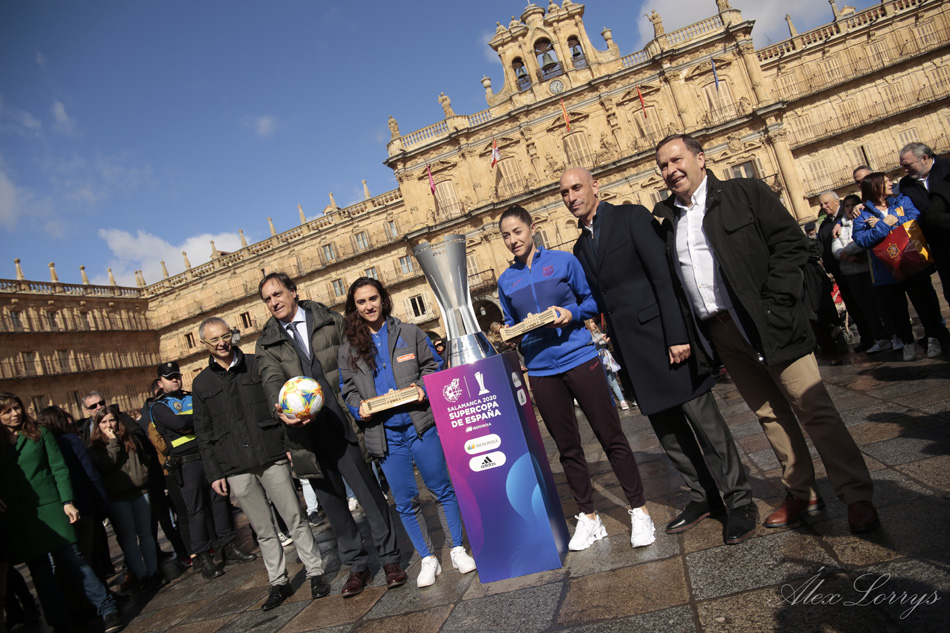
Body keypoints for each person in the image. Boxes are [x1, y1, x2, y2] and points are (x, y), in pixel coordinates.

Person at [652, 133, 879, 534]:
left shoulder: (745, 193)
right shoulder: (669, 219)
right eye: (663, 166)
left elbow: (790, 244)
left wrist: (778, 302)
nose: (671, 171)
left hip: (769, 320)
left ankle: (856, 494)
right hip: (722, 330)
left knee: (813, 408)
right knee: (769, 414)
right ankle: (802, 493)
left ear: (700, 158)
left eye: (676, 160)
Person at [560, 168, 758, 545]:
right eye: (565, 193)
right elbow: (600, 300)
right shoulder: (580, 248)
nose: (571, 197)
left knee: (705, 424)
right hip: (633, 352)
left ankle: (740, 500)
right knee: (669, 433)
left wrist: (678, 334)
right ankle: (703, 496)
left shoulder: (631, 216)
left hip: (666, 340)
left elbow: (664, 277)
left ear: (594, 186)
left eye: (576, 188)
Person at [496, 205, 656, 550]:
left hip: (580, 358)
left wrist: (569, 313)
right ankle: (589, 517)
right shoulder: (506, 280)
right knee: (567, 449)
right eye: (506, 236)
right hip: (541, 370)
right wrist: (511, 333)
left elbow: (591, 302)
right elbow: (511, 323)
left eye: (517, 231)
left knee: (611, 436)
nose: (513, 240)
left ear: (532, 228)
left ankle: (639, 510)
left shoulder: (565, 262)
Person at [255, 272, 406, 598]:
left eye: (278, 294)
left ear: (293, 292)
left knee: (369, 496)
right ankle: (357, 566)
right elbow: (270, 381)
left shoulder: (329, 320)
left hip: (342, 423)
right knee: (333, 507)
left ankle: (390, 559)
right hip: (305, 437)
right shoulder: (266, 342)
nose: (274, 302)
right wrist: (278, 408)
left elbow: (357, 358)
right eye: (267, 299)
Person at [338, 278, 477, 588]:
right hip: (385, 435)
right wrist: (359, 407)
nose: (369, 306)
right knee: (404, 500)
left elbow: (433, 365)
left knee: (441, 489)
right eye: (361, 302)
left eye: (373, 298)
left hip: (420, 425)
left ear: (383, 299)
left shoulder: (410, 333)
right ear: (354, 308)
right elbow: (347, 389)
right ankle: (427, 558)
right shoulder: (348, 349)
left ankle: (457, 548)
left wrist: (422, 387)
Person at [192, 316, 330, 610]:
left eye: (225, 335)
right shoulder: (201, 383)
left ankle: (315, 572)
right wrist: (214, 473)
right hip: (235, 465)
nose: (222, 343)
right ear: (204, 344)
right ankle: (278, 582)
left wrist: (288, 447)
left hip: (270, 455)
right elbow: (203, 432)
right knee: (263, 530)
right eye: (214, 339)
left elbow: (279, 406)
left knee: (294, 517)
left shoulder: (256, 364)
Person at [0, 392, 122, 633]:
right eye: (7, 411)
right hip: (20, 516)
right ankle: (60, 623)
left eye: (17, 407)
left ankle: (107, 607)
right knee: (40, 573)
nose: (15, 413)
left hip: (52, 507)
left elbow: (59, 467)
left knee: (74, 560)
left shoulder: (39, 432)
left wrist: (67, 501)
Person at [151, 362, 257, 580]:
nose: (174, 379)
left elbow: (210, 416)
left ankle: (229, 546)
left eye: (176, 375)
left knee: (220, 501)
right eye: (169, 377)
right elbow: (178, 422)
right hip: (186, 463)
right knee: (196, 510)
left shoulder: (191, 397)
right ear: (160, 382)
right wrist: (196, 420)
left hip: (207, 455)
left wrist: (191, 422)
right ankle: (203, 556)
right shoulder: (159, 406)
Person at [852, 172, 949, 359]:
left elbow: (916, 220)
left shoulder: (902, 201)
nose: (891, 183)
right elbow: (862, 240)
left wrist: (890, 221)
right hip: (886, 270)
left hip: (913, 263)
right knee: (897, 311)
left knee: (925, 304)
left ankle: (934, 338)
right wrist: (884, 225)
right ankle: (907, 343)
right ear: (875, 187)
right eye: (886, 181)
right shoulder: (862, 213)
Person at [88, 406, 164, 593]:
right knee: (129, 538)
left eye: (112, 420)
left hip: (140, 491)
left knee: (146, 534)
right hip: (118, 497)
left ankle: (153, 572)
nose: (109, 425)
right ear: (98, 425)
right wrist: (113, 443)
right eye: (104, 422)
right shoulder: (95, 448)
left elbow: (144, 457)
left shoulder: (130, 438)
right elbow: (107, 465)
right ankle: (141, 576)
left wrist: (144, 474)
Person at [35, 407, 112, 586]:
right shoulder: (70, 440)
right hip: (83, 505)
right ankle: (100, 596)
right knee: (89, 556)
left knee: (64, 561)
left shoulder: (39, 445)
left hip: (57, 509)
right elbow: (90, 472)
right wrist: (102, 503)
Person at [831, 194, 891, 353]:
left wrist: (849, 252)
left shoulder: (864, 219)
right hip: (851, 273)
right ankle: (880, 338)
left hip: (867, 269)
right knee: (866, 307)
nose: (850, 208)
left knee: (881, 304)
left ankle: (893, 335)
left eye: (853, 205)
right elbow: (835, 246)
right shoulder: (840, 225)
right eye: (847, 206)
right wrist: (844, 255)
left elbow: (862, 240)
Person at [898, 142, 950, 306]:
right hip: (939, 248)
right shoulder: (905, 184)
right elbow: (887, 199)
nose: (905, 170)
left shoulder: (947, 168)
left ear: (925, 158)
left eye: (908, 165)